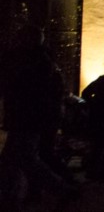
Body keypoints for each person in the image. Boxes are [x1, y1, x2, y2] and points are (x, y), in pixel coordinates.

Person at [0, 26, 78, 210]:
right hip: (30, 117)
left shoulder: (31, 61)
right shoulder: (40, 60)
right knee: (16, 159)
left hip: (27, 118)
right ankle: (12, 195)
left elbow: (20, 88)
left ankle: (61, 189)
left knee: (24, 159)